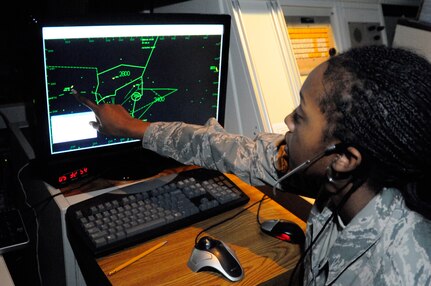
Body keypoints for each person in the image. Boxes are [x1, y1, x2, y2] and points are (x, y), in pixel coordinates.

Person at [75, 45, 431, 285]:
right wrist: (132, 128)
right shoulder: (341, 180)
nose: (287, 120)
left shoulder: (406, 268)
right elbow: (227, 149)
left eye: (301, 117)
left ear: (344, 158)